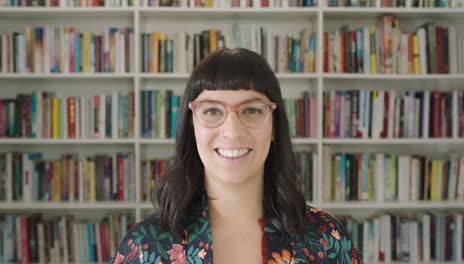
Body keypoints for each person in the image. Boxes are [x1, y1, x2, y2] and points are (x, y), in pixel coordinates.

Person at [111, 48, 363, 264]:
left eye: (252, 110)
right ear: (192, 126)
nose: (232, 131)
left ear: (274, 126)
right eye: (211, 110)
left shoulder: (326, 237)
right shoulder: (145, 246)